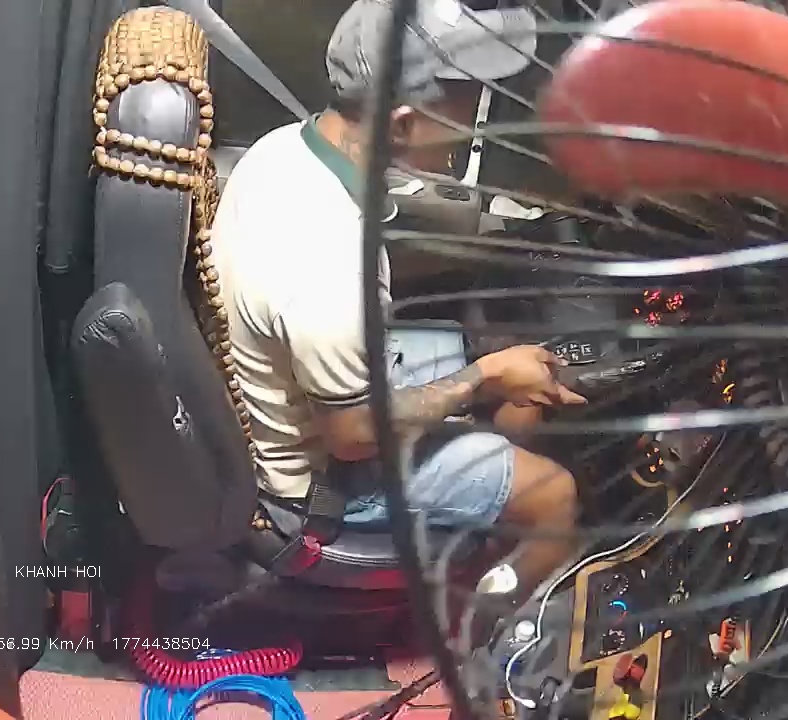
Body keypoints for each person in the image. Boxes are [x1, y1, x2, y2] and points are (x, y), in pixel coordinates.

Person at [209, 0, 584, 606]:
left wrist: (486, 373)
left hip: (302, 401)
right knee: (556, 493)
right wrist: (483, 379)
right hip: (323, 483)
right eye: (466, 103)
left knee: (501, 368)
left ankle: (486, 515)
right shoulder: (329, 266)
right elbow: (354, 436)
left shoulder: (286, 148)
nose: (476, 123)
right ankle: (485, 628)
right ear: (404, 125)